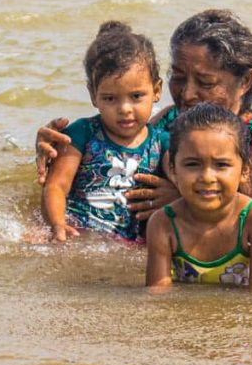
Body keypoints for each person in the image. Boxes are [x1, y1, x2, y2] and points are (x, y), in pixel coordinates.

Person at [37, 9, 252, 256]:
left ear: (245, 82)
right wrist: (54, 151)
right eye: (178, 78)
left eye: (205, 82)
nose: (187, 94)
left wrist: (189, 205)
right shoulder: (170, 119)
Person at [41, 21, 168, 242]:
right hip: (80, 236)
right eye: (110, 99)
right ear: (93, 95)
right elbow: (56, 186)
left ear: (156, 91)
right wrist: (57, 225)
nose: (125, 109)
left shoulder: (164, 142)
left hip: (131, 245)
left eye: (136, 96)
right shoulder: (82, 133)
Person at [146, 103, 252, 290]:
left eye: (221, 165)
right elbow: (157, 293)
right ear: (173, 171)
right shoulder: (163, 223)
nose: (207, 177)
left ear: (245, 171)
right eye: (192, 164)